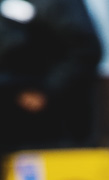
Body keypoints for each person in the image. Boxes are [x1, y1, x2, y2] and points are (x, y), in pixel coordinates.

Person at [0, 0, 102, 152]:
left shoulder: (54, 4)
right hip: (11, 113)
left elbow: (85, 49)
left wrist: (46, 91)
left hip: (48, 124)